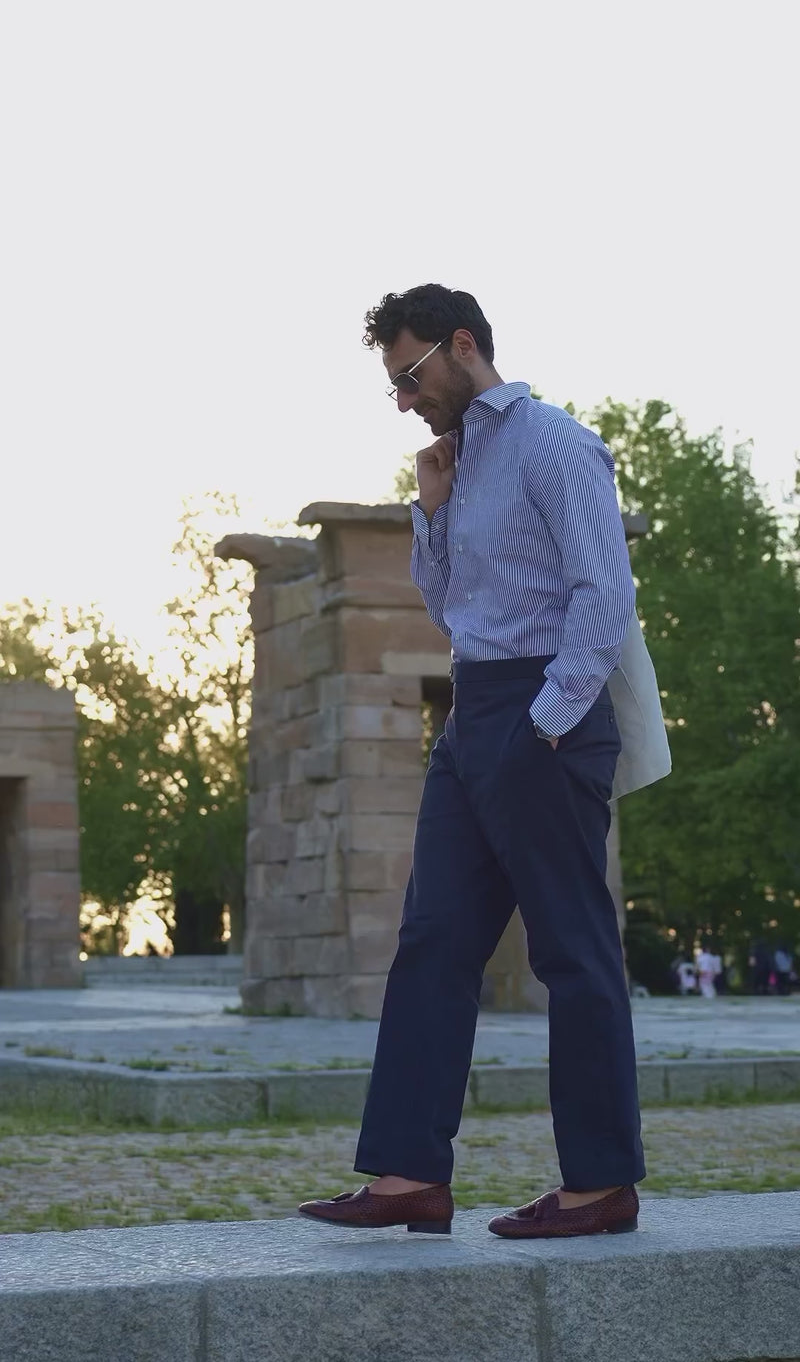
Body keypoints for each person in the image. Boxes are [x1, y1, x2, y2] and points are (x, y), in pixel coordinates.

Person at [299, 284, 669, 1241]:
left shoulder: (556, 444)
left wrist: (547, 719)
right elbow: (448, 603)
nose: (404, 398)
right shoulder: (458, 462)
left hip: (546, 709)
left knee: (570, 949)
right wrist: (430, 507)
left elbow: (604, 592)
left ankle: (600, 1185)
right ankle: (407, 1176)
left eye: (412, 375)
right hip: (475, 711)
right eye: (394, 383)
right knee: (433, 942)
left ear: (464, 347)